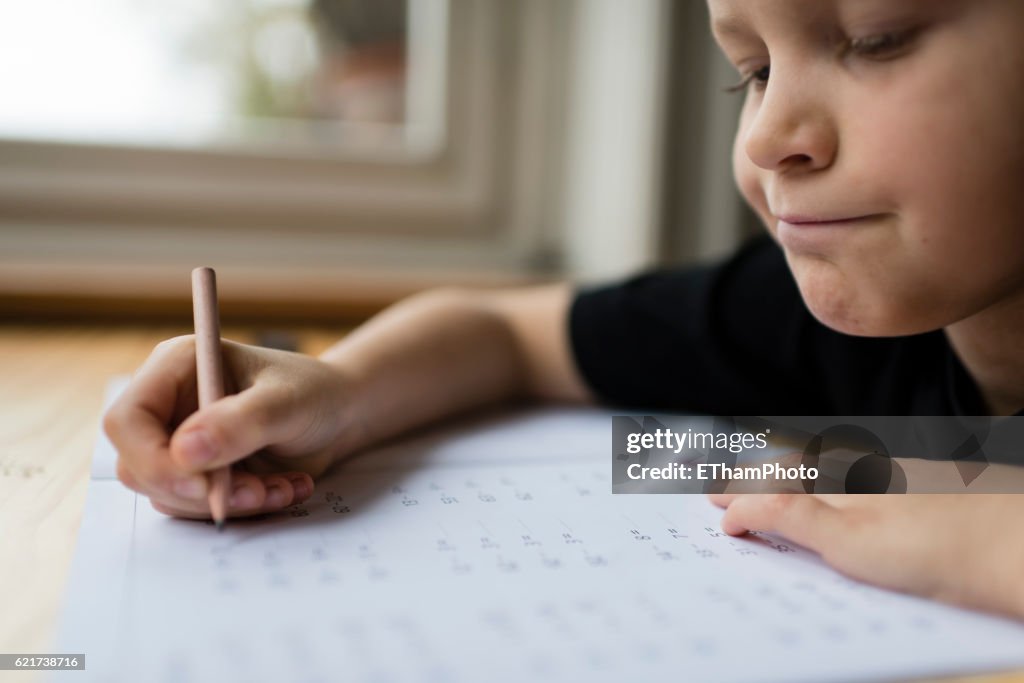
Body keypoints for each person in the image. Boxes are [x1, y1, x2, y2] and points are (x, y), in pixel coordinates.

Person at [103, 0, 1024, 620]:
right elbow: (507, 333)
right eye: (749, 70)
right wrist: (337, 391)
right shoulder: (788, 312)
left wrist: (986, 536)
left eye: (874, 38)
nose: (767, 136)